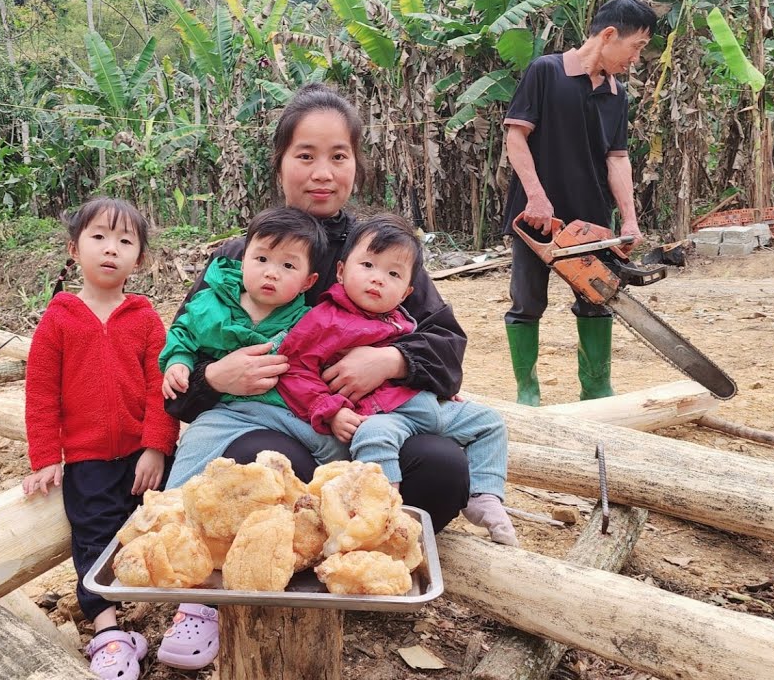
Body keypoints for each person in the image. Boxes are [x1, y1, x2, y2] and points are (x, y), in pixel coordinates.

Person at [166, 82, 475, 527]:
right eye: (306, 156)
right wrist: (213, 377)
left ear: (356, 165)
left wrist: (391, 360)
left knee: (442, 466)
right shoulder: (238, 261)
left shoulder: (381, 254)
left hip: (373, 431)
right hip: (274, 429)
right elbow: (176, 375)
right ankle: (285, 559)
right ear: (280, 164)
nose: (323, 173)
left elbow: (446, 348)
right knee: (262, 459)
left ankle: (368, 555)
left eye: (338, 156)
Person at [276, 213, 517, 545]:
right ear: (341, 271)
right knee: (373, 438)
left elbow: (439, 348)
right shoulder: (323, 320)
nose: (378, 279)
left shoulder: (400, 319)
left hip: (424, 405)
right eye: (368, 266)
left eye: (393, 274)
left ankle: (484, 496)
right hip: (382, 416)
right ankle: (382, 509)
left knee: (489, 422)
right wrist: (331, 410)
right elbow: (295, 369)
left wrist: (432, 383)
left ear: (406, 293)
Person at [20, 196, 178, 680]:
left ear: (140, 259)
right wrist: (46, 458)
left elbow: (159, 388)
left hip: (143, 456)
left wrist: (156, 446)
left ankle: (187, 612)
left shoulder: (144, 318)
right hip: (87, 459)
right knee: (91, 537)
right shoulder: (59, 318)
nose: (111, 249)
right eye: (99, 237)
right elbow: (41, 392)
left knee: (168, 524)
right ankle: (109, 633)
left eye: (125, 241)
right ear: (74, 249)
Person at [502, 0, 656, 406]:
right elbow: (516, 137)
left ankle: (596, 388)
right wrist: (536, 196)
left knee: (597, 301)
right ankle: (527, 392)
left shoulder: (616, 94)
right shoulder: (546, 72)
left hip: (591, 219)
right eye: (636, 47)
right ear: (609, 35)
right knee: (527, 303)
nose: (636, 58)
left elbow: (617, 159)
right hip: (536, 219)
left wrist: (629, 220)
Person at [160, 207, 350, 488]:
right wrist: (178, 360)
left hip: (291, 413)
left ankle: (343, 501)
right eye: (261, 259)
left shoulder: (311, 322)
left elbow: (330, 361)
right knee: (195, 445)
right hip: (228, 411)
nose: (271, 273)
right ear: (243, 262)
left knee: (340, 452)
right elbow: (183, 333)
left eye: (288, 266)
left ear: (307, 282)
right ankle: (171, 507)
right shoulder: (212, 305)